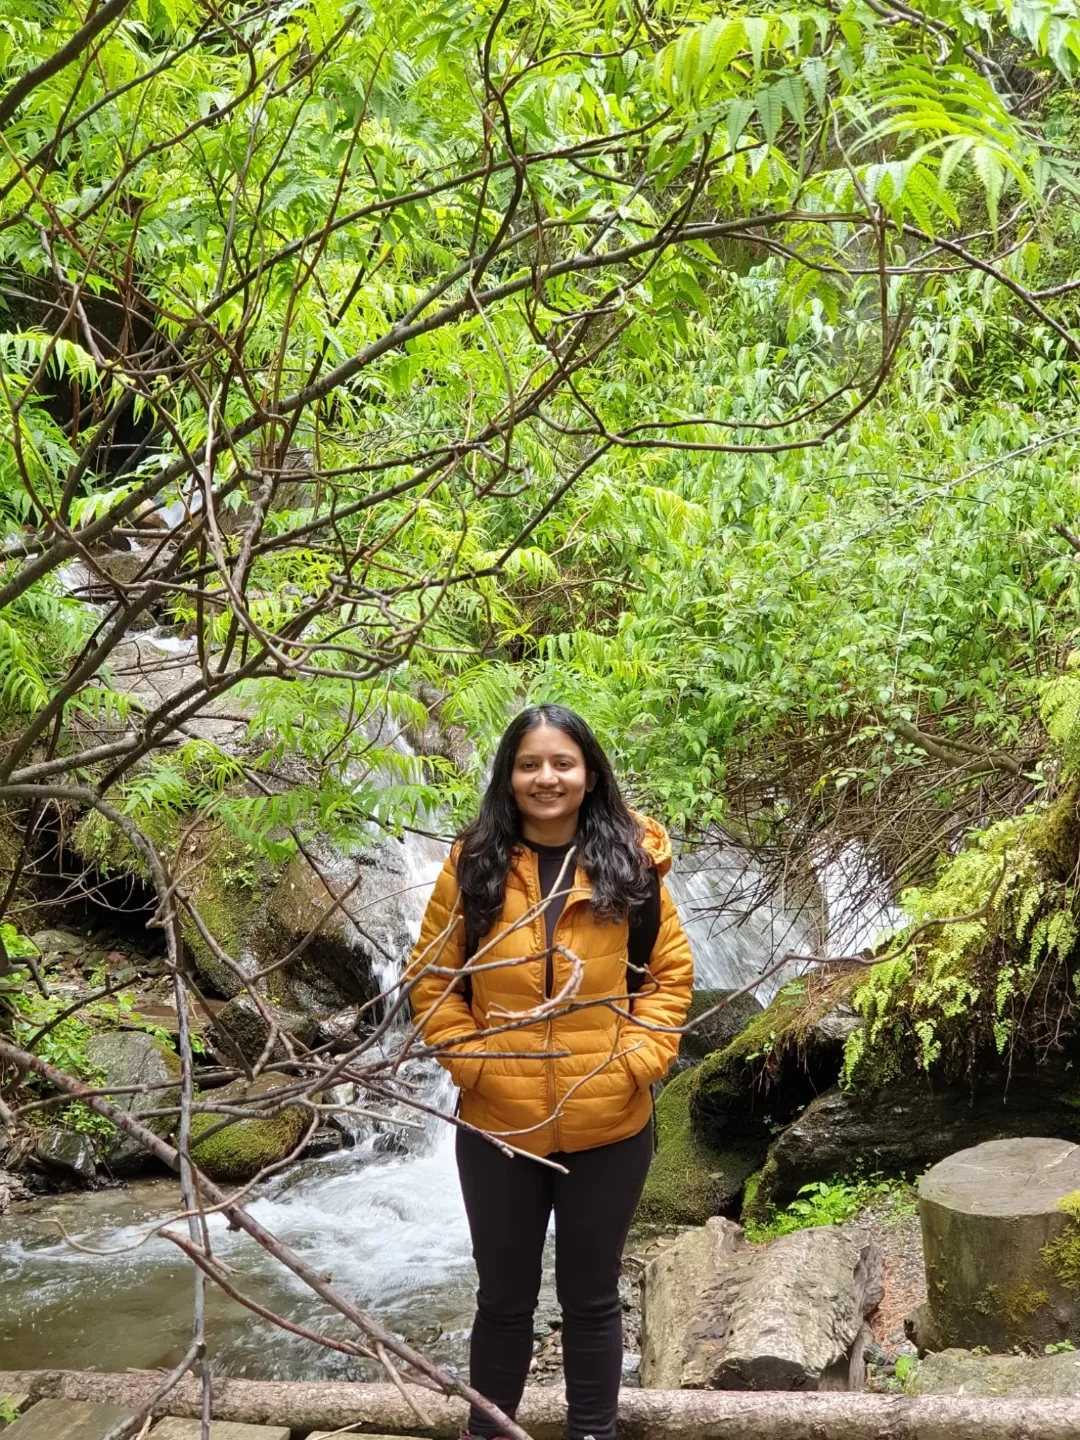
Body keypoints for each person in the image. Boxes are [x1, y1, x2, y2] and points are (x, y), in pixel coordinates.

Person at [408, 705, 694, 1440]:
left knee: (592, 1298)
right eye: (530, 764)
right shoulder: (473, 866)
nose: (547, 778)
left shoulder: (632, 863)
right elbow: (433, 981)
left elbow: (667, 976)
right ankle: (490, 1432)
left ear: (589, 773)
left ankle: (591, 1433)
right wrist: (477, 1066)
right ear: (509, 776)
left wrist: (639, 1062)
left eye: (562, 763)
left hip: (611, 1121)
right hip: (499, 1124)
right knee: (503, 1299)